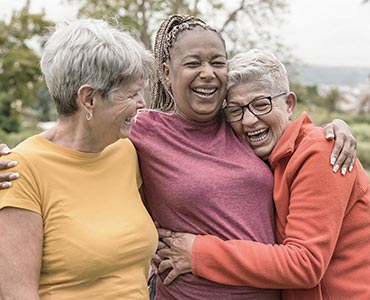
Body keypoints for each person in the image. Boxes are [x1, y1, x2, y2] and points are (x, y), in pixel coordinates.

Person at [0, 15, 358, 300]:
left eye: (217, 62)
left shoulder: (236, 124)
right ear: (167, 74)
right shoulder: (139, 135)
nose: (207, 72)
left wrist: (333, 129)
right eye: (193, 63)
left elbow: (279, 127)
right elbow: (67, 145)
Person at [155, 49, 370, 300]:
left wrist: (198, 253)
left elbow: (305, 264)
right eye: (236, 110)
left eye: (261, 105)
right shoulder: (264, 158)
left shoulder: (321, 152)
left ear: (289, 104)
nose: (248, 120)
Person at [0, 19, 158, 299]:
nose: (141, 103)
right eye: (132, 93)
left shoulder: (126, 151)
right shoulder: (20, 170)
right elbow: (17, 294)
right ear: (88, 99)